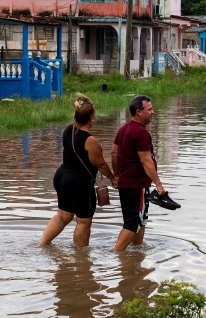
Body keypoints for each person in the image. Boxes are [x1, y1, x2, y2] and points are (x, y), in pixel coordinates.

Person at [40, 93, 116, 247]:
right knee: (83, 222)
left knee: (62, 216)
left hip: (61, 177)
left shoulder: (68, 129)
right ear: (92, 117)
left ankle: (42, 245)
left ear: (75, 115)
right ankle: (81, 262)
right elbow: (100, 164)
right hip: (79, 183)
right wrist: (113, 178)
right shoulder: (90, 140)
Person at [112, 95, 167, 253]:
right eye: (149, 109)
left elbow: (114, 153)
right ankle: (116, 255)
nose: (153, 112)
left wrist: (117, 175)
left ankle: (137, 252)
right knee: (132, 222)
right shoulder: (141, 133)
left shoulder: (123, 129)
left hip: (126, 184)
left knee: (140, 220)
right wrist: (158, 184)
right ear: (138, 112)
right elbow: (146, 161)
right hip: (136, 185)